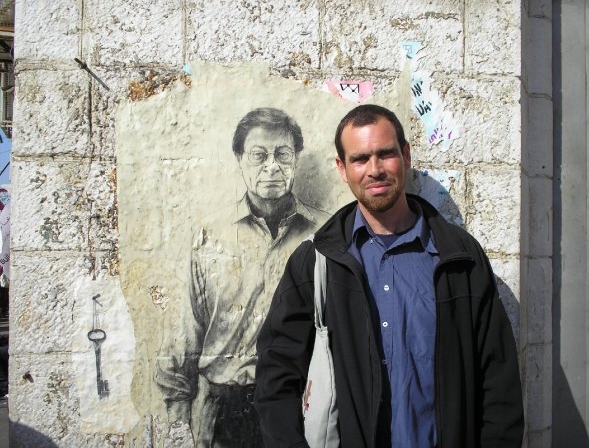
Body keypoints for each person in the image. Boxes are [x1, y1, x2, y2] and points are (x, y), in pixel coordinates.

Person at [254, 104, 524, 447]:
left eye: (385, 154)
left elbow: (498, 381)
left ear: (405, 156)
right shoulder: (317, 262)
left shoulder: (458, 258)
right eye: (360, 159)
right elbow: (276, 376)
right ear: (342, 168)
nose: (375, 170)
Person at [156, 107, 329, 447]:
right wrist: (177, 421)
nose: (272, 166)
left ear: (296, 159)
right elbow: (184, 331)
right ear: (239, 159)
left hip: (300, 405)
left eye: (283, 154)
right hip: (222, 411)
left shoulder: (323, 234)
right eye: (258, 155)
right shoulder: (209, 236)